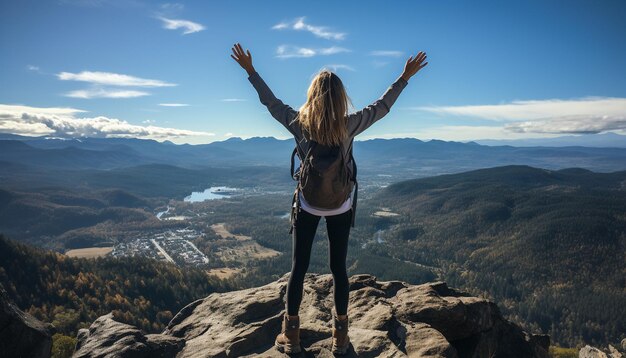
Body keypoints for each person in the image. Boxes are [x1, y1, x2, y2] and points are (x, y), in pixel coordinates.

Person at [230, 42, 427, 355]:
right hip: (340, 203)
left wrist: (251, 72)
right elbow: (382, 107)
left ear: (312, 96)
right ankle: (340, 338)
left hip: (308, 202)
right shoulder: (348, 126)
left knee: (299, 267)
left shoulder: (300, 123)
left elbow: (271, 103)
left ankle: (291, 337)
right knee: (339, 269)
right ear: (340, 98)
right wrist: (404, 77)